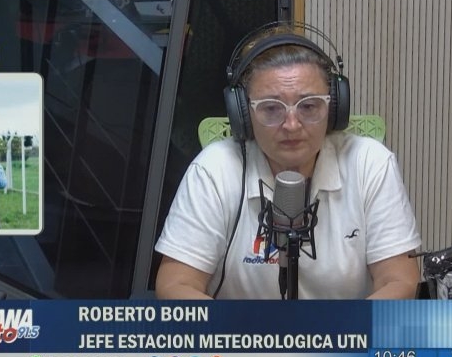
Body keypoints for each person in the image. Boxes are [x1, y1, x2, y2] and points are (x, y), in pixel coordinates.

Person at [155, 22, 421, 300]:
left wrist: (344, 328)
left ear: (334, 107)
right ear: (243, 113)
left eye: (309, 106)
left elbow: (399, 280)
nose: (292, 125)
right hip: (242, 328)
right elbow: (175, 285)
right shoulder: (214, 169)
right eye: (271, 108)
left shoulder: (369, 162)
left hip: (348, 328)